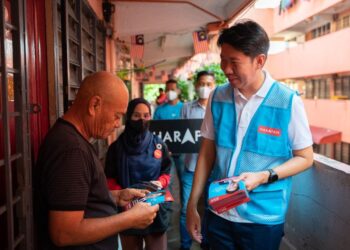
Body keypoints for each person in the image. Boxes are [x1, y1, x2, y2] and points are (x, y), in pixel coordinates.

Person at [186, 20, 314, 250]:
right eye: (223, 60)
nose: (225, 69)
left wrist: (264, 176)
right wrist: (192, 204)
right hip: (218, 212)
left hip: (262, 220)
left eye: (234, 62)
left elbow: (305, 157)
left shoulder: (287, 101)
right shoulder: (217, 97)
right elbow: (206, 153)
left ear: (259, 61)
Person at [35, 71, 159, 250]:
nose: (118, 124)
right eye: (117, 115)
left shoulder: (74, 140)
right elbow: (64, 233)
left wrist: (115, 196)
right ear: (94, 105)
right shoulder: (71, 149)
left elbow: (79, 199)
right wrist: (129, 219)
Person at [105, 98, 172, 250]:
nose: (141, 120)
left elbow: (166, 171)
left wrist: (160, 182)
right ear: (128, 117)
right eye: (136, 116)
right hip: (127, 209)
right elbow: (109, 179)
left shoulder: (159, 144)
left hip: (155, 208)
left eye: (146, 116)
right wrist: (123, 194)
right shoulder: (116, 148)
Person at [179, 71, 216, 250]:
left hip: (215, 170)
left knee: (212, 210)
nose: (205, 88)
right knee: (187, 209)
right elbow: (179, 134)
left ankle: (207, 244)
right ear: (195, 86)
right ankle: (185, 245)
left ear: (214, 86)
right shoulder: (186, 108)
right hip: (191, 168)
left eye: (209, 84)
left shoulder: (219, 107)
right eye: (202, 84)